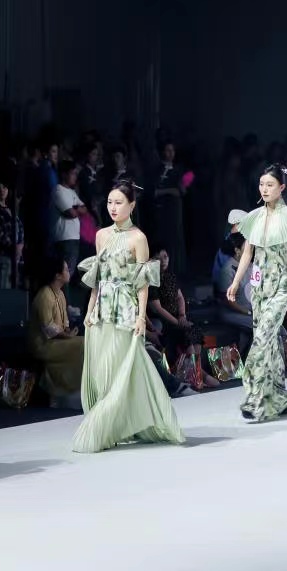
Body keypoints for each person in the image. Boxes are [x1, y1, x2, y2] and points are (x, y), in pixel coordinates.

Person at [72, 179, 184, 453]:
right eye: (110, 202)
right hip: (102, 311)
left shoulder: (138, 238)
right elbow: (98, 278)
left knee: (123, 368)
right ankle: (114, 427)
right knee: (104, 371)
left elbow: (142, 283)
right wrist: (89, 310)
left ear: (132, 205)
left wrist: (140, 317)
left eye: (119, 202)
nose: (113, 207)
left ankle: (102, 428)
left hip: (125, 309)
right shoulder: (101, 235)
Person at [227, 164, 287, 420]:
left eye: (270, 185)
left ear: (281, 187)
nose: (264, 189)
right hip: (259, 288)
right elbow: (247, 254)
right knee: (270, 343)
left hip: (281, 285)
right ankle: (279, 397)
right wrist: (235, 283)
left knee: (262, 339)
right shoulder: (254, 217)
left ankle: (254, 397)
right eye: (262, 184)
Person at [29, 256, 84, 409]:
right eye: (66, 269)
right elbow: (49, 328)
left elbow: (64, 324)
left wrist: (69, 332)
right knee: (83, 345)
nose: (69, 272)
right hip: (43, 344)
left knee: (86, 341)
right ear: (57, 275)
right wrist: (68, 336)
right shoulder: (44, 295)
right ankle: (62, 390)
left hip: (57, 340)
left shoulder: (60, 294)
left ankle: (74, 392)